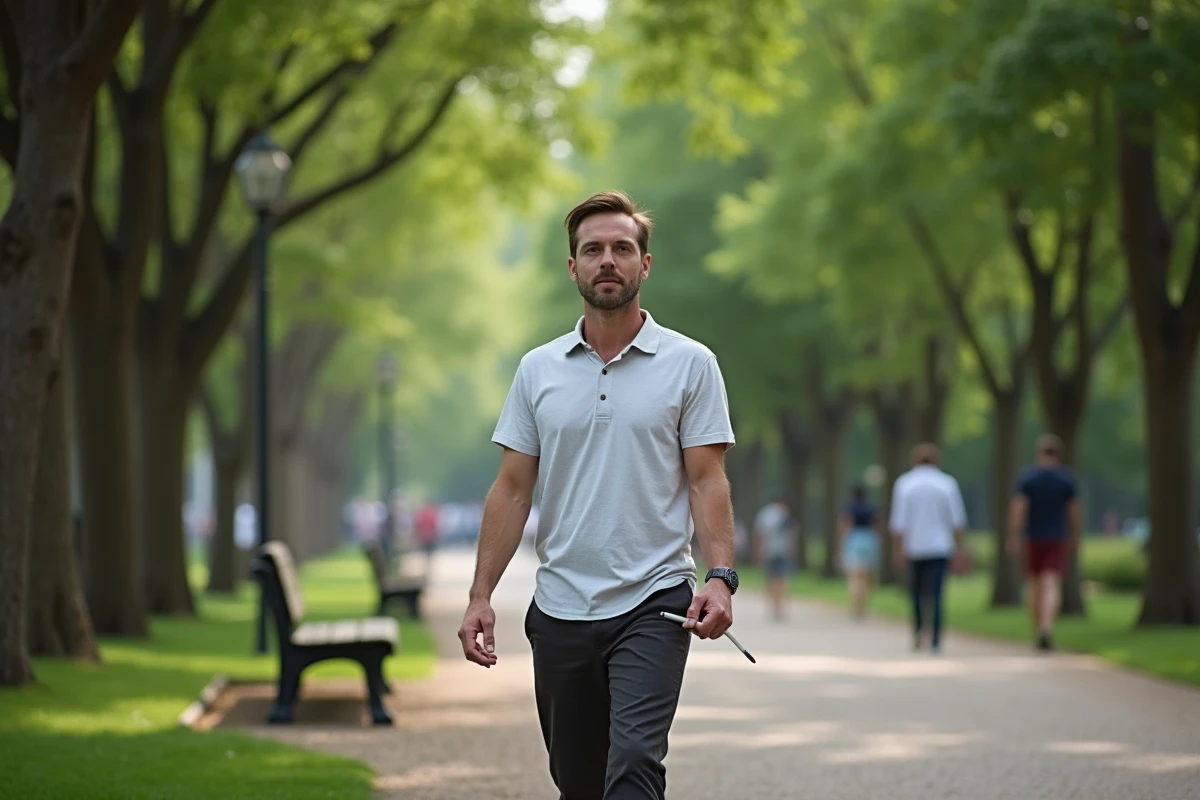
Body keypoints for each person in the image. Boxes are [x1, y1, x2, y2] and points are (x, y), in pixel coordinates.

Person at [457, 190, 738, 800]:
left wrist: (720, 576)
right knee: (578, 781)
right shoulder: (538, 369)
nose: (607, 259)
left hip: (654, 600)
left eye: (621, 248)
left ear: (645, 264)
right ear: (573, 267)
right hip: (559, 605)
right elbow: (511, 491)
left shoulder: (691, 364)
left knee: (635, 762)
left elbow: (706, 479)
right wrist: (481, 595)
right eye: (593, 250)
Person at [889, 443, 967, 653]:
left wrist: (897, 550)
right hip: (940, 547)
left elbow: (899, 523)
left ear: (914, 461)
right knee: (937, 594)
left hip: (914, 547)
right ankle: (935, 637)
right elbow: (957, 521)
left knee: (915, 592)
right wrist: (961, 550)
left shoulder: (905, 484)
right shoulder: (947, 484)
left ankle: (917, 630)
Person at [1007, 433, 1080, 652]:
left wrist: (1013, 536)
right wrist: (1075, 535)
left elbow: (1018, 509)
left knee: (1035, 585)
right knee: (1053, 584)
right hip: (1057, 537)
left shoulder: (1028, 478)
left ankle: (1038, 628)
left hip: (1033, 537)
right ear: (1059, 454)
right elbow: (1073, 511)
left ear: (1038, 453)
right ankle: (1047, 627)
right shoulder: (1066, 479)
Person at [838, 483, 880, 619]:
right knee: (867, 575)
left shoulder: (849, 507)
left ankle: (856, 604)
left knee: (855, 576)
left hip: (854, 539)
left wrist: (840, 545)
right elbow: (877, 526)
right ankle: (864, 604)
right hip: (869, 539)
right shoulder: (871, 508)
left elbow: (845, 526)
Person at [753, 495, 795, 621]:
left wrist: (759, 552)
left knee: (770, 578)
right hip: (784, 551)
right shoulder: (787, 515)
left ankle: (773, 604)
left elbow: (760, 535)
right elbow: (793, 534)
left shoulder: (765, 514)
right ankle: (780, 604)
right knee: (783, 578)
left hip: (769, 551)